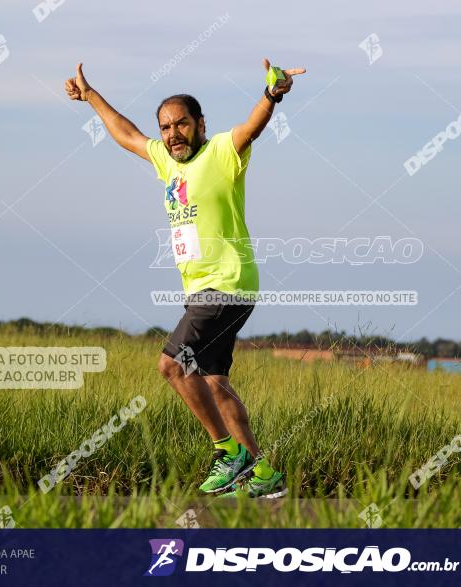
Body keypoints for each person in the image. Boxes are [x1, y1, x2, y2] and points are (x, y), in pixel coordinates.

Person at [65, 59, 305, 498]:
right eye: (166, 127)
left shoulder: (220, 153)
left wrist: (272, 94)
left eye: (181, 124)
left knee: (172, 365)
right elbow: (127, 134)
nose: (172, 133)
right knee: (214, 382)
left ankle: (227, 453)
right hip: (205, 291)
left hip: (226, 285)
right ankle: (263, 475)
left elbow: (252, 126)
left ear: (199, 124)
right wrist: (90, 96)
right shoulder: (168, 164)